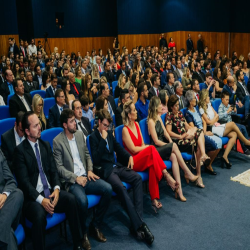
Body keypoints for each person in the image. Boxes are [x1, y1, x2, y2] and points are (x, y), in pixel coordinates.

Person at [13, 111, 85, 250]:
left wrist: (57, 189)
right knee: (39, 217)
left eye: (39, 124)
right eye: (35, 126)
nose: (39, 127)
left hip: (51, 192)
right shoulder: (20, 151)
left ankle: (78, 243)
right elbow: (24, 183)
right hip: (32, 198)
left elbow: (53, 171)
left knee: (71, 200)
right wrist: (41, 200)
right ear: (27, 131)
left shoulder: (45, 145)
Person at [89, 109, 154, 245]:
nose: (107, 128)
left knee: (137, 178)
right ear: (99, 122)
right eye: (105, 125)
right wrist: (102, 139)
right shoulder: (93, 137)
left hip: (116, 166)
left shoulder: (110, 135)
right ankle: (140, 226)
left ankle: (137, 222)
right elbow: (96, 159)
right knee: (120, 187)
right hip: (106, 172)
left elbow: (119, 149)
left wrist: (129, 156)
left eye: (109, 126)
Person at [53, 109, 112, 249]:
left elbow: (87, 155)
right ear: (65, 125)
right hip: (73, 182)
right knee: (82, 201)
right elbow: (59, 168)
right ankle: (83, 233)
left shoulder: (79, 135)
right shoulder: (57, 142)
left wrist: (90, 170)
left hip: (87, 176)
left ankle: (95, 225)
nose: (75, 123)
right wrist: (76, 178)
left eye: (75, 120)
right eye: (72, 121)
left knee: (108, 189)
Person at [122, 100, 179, 208]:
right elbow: (133, 150)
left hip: (143, 157)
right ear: (129, 115)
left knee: (152, 163)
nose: (136, 112)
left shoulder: (137, 124)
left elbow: (142, 143)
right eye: (134, 110)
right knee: (151, 148)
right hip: (133, 161)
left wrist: (146, 147)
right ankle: (166, 175)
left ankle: (154, 198)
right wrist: (147, 147)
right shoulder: (125, 130)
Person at [148, 97, 199, 201]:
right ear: (154, 107)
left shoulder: (158, 117)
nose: (161, 107)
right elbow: (156, 141)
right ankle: (188, 172)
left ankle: (179, 191)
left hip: (164, 146)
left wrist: (170, 142)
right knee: (174, 147)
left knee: (174, 157)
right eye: (159, 105)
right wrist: (170, 146)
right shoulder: (150, 121)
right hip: (156, 149)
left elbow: (165, 132)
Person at [165, 95, 210, 188]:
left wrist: (192, 131)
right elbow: (168, 132)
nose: (178, 107)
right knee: (197, 144)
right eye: (176, 106)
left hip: (186, 136)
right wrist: (181, 136)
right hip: (178, 141)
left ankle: (203, 157)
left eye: (178, 105)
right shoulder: (169, 116)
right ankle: (199, 175)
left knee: (199, 131)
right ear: (171, 107)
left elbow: (187, 126)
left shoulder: (180, 114)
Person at [199, 89, 250, 168]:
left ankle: (225, 156)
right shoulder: (201, 108)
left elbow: (217, 116)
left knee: (234, 134)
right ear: (204, 98)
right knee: (232, 124)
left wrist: (214, 120)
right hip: (211, 128)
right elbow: (208, 122)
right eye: (207, 96)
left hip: (216, 125)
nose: (209, 97)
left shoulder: (209, 104)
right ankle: (246, 142)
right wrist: (214, 119)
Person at [185, 90, 222, 175]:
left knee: (219, 143)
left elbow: (204, 122)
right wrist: (203, 133)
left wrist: (204, 131)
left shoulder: (196, 109)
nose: (196, 99)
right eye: (195, 98)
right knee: (214, 145)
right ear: (190, 101)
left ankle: (207, 164)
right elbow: (193, 127)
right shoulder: (188, 114)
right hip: (198, 135)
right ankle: (206, 163)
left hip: (203, 132)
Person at [0, 148, 24, 250]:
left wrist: (4, 195)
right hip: (6, 219)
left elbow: (11, 181)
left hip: (7, 206)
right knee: (8, 233)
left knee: (18, 193)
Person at [218, 91, 250, 156]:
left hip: (232, 124)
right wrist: (227, 112)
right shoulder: (221, 107)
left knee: (243, 127)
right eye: (226, 100)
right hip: (226, 125)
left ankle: (247, 145)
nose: (228, 101)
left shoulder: (228, 105)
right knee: (239, 130)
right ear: (222, 99)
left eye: (228, 99)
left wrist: (235, 111)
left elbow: (233, 113)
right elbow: (219, 117)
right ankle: (245, 149)